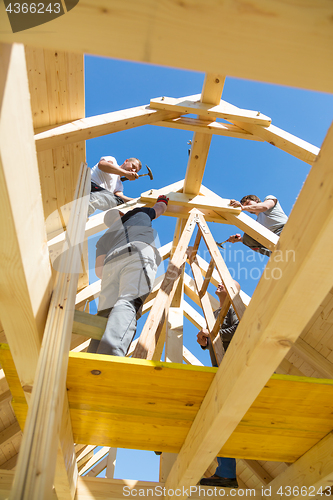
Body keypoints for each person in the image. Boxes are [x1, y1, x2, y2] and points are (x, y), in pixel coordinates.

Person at [88, 195, 168, 357]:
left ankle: (93, 356)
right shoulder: (138, 213)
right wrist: (163, 201)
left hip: (111, 262)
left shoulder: (104, 239)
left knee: (105, 313)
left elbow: (99, 271)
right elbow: (159, 209)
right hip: (137, 251)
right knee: (129, 300)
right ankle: (110, 354)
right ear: (122, 214)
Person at [197, 280, 240, 489]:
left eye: (225, 283)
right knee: (219, 420)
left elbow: (240, 330)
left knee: (222, 419)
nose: (219, 284)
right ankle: (225, 472)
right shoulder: (214, 314)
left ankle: (226, 472)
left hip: (235, 366)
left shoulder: (235, 308)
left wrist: (212, 335)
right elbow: (214, 342)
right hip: (221, 368)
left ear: (233, 290)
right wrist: (204, 342)